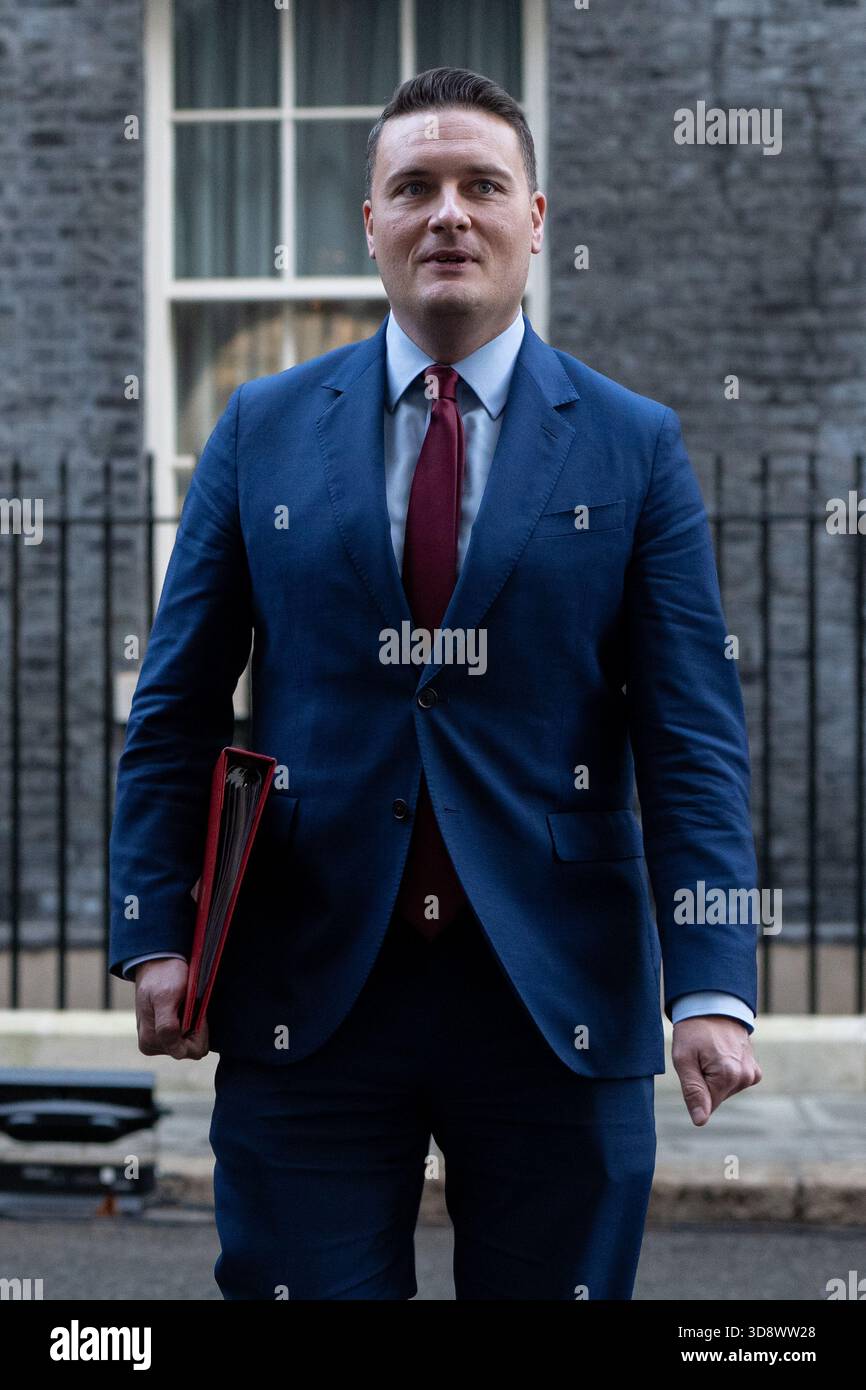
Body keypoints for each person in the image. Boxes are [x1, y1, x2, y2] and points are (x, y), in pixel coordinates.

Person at [109, 67, 761, 1300]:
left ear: (534, 216)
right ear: (370, 223)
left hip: (554, 994)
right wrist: (155, 929)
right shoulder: (260, 427)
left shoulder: (633, 444)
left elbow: (690, 736)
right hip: (308, 981)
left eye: (480, 185)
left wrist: (712, 981)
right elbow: (177, 704)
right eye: (414, 186)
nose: (446, 212)